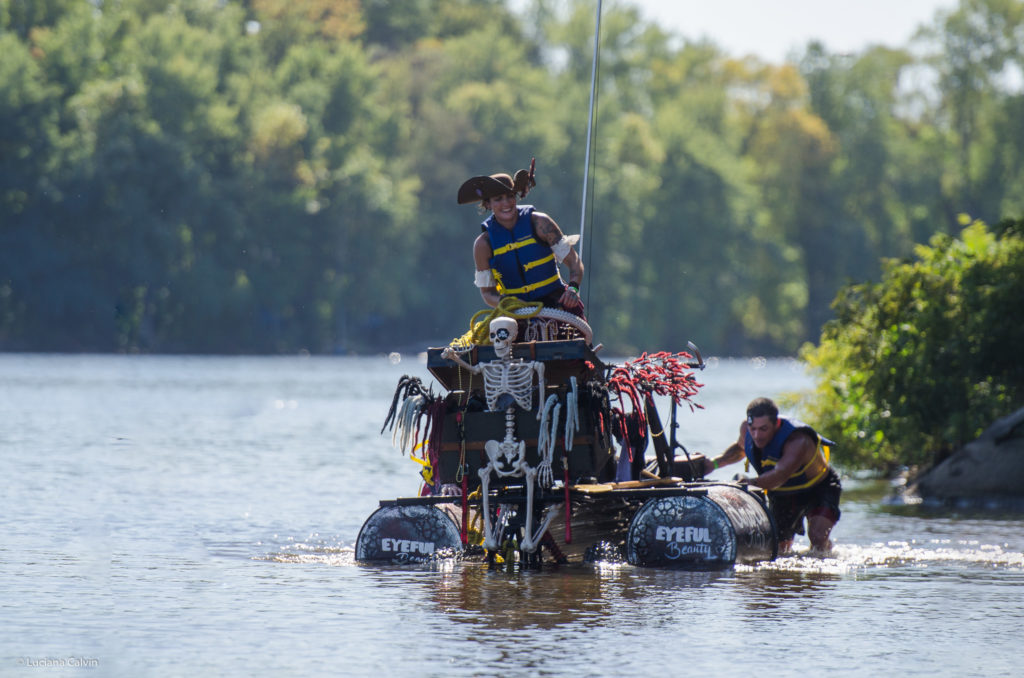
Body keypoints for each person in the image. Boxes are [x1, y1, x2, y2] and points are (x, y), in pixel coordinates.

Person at [704, 397, 842, 553]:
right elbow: (740, 448)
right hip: (782, 493)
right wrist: (713, 463)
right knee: (778, 549)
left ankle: (827, 557)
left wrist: (750, 483)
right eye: (753, 429)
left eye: (763, 429)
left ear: (776, 424)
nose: (757, 435)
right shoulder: (746, 429)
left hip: (818, 488)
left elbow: (779, 475)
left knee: (817, 537)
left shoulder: (798, 441)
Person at [457, 160, 584, 316]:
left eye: (510, 196)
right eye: (498, 199)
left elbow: (574, 262)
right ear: (488, 204)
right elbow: (487, 293)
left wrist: (573, 288)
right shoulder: (483, 244)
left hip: (559, 306)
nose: (506, 203)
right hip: (517, 313)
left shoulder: (540, 223)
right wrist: (507, 303)